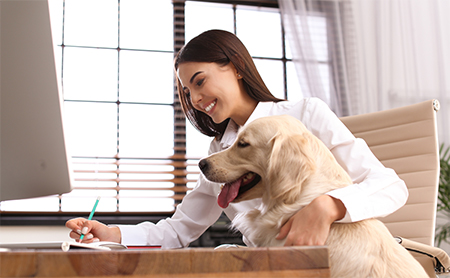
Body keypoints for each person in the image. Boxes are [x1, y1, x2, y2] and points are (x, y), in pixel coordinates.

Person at [66, 29, 408, 248]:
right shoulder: (220, 153)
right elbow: (180, 228)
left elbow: (390, 186)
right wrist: (114, 234)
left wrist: (329, 205)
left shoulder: (304, 115)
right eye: (187, 91)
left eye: (200, 81)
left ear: (236, 67)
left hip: (337, 260)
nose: (196, 99)